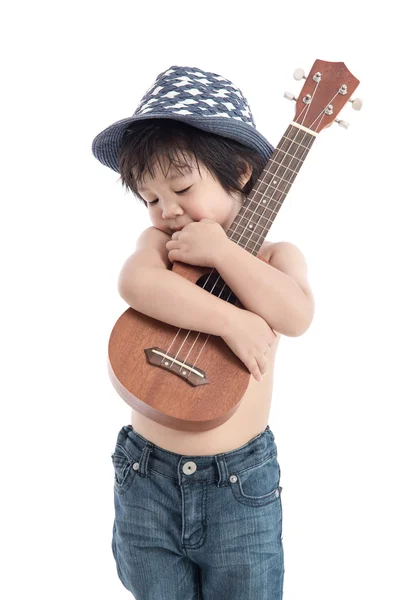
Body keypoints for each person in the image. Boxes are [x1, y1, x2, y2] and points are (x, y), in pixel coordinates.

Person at [92, 64, 315, 599]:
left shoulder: (274, 257)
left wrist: (220, 252)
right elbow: (134, 283)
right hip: (145, 477)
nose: (166, 210)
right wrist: (230, 320)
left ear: (240, 171)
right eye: (149, 198)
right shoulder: (160, 249)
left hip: (240, 486)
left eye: (182, 186)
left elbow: (296, 315)